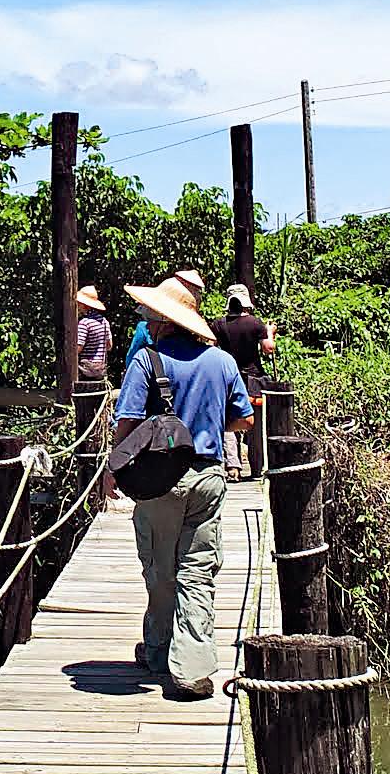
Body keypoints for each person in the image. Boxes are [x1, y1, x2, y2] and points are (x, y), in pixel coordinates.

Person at [110, 276, 253, 699]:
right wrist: (204, 425)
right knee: (198, 571)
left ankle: (157, 652)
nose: (146, 322)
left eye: (149, 316)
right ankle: (190, 669)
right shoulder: (222, 362)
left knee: (159, 570)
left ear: (163, 321)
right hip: (209, 478)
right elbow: (244, 420)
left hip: (159, 482)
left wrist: (114, 468)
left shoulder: (147, 362)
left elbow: (128, 420)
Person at [213, 283, 273, 480]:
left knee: (228, 421)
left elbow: (210, 345)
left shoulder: (219, 324)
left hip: (227, 377)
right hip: (253, 379)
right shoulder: (256, 323)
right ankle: (257, 468)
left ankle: (233, 466)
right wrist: (270, 331)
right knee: (254, 423)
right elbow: (268, 348)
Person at [126, 268, 205, 362]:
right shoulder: (218, 360)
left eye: (150, 318)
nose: (147, 326)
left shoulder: (144, 359)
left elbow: (130, 358)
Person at [76, 286, 112, 381]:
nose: (77, 306)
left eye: (79, 303)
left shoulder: (84, 323)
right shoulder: (104, 321)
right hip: (100, 370)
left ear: (84, 305)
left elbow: (78, 349)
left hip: (85, 371)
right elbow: (109, 346)